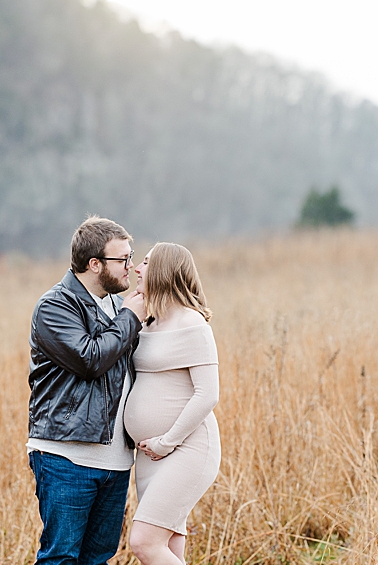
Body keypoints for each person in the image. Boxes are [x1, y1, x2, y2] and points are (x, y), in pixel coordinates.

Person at [26, 216, 146, 564]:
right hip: (66, 457)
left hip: (117, 462)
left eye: (131, 256)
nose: (131, 266)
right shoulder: (55, 306)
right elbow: (90, 359)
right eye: (122, 259)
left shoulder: (116, 305)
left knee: (98, 558)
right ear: (95, 264)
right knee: (60, 558)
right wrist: (131, 318)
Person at [124, 242, 221, 565]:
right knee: (168, 546)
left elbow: (207, 394)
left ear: (164, 271)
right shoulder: (147, 322)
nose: (137, 268)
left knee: (144, 542)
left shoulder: (192, 324)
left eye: (147, 263)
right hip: (150, 454)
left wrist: (167, 442)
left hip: (185, 448)